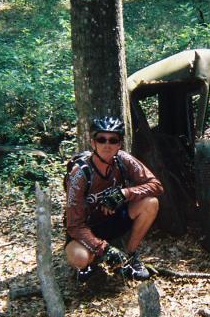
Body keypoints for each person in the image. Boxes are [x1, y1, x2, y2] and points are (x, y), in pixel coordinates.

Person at [64, 116, 162, 283]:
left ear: (119, 144)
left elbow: (156, 185)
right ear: (93, 143)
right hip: (86, 229)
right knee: (80, 258)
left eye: (113, 140)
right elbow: (74, 225)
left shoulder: (123, 159)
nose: (107, 145)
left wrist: (124, 193)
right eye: (101, 139)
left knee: (151, 203)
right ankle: (94, 261)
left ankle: (129, 256)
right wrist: (104, 249)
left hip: (113, 219)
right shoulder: (79, 174)